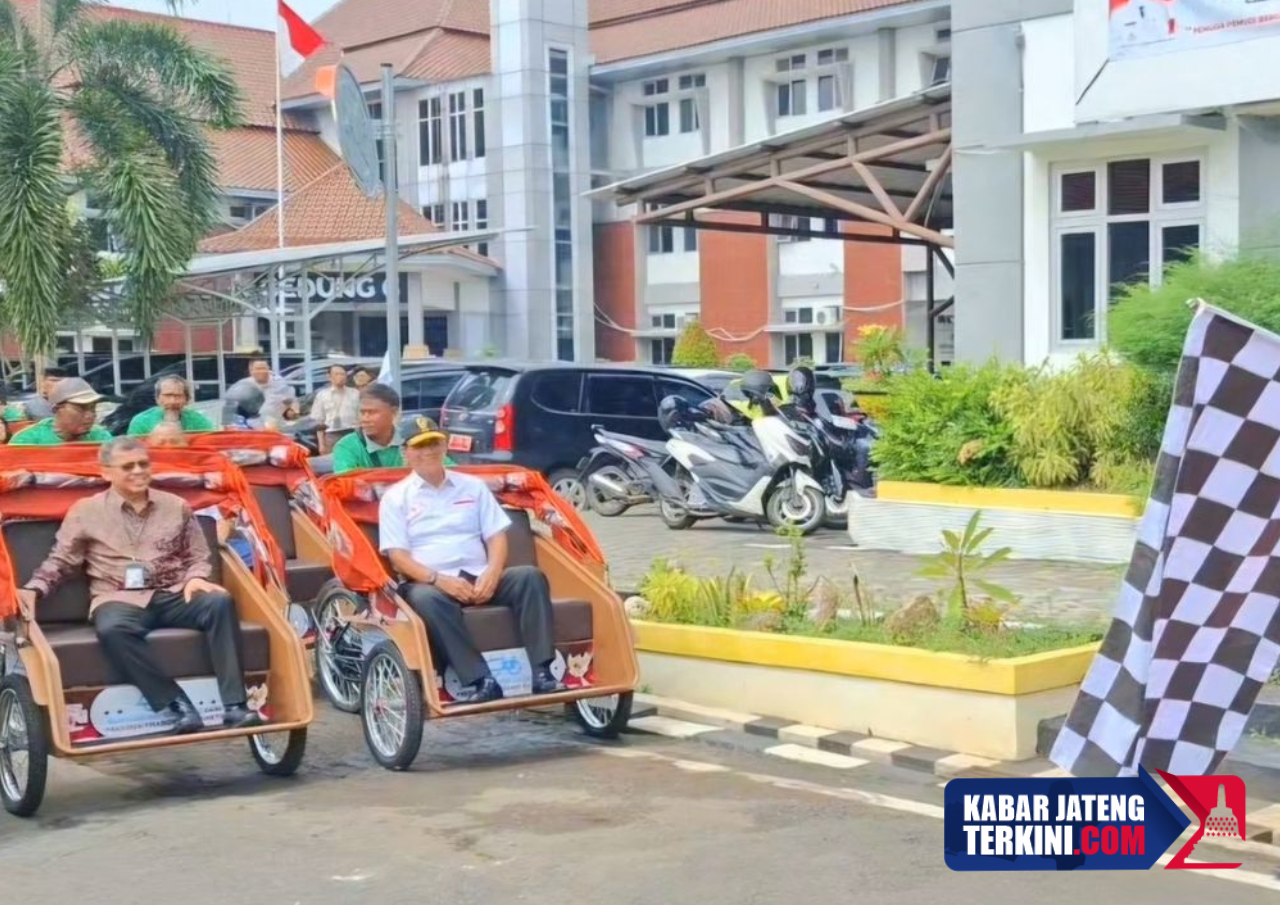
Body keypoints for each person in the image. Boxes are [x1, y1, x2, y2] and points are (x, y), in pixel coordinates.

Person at [18, 437, 263, 733]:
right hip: (118, 597)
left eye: (143, 464)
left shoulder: (175, 505)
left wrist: (196, 577)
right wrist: (34, 588)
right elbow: (62, 560)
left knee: (219, 602)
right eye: (128, 466)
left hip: (174, 591)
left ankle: (235, 706)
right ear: (106, 472)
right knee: (112, 628)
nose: (138, 471)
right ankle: (177, 704)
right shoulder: (85, 511)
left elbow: (198, 555)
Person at [378, 422, 561, 704]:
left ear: (445, 447)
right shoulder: (395, 498)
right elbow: (398, 557)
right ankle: (479, 678)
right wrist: (439, 580)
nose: (429, 451)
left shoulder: (472, 486)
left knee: (530, 577)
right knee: (424, 598)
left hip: (479, 575)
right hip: (431, 583)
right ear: (405, 453)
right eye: (420, 446)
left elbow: (496, 536)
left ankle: (541, 672)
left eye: (434, 444)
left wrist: (493, 572)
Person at [147, 424, 255, 568]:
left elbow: (225, 513)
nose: (169, 448)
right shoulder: (140, 475)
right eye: (161, 443)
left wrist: (215, 542)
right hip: (158, 545)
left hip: (211, 538)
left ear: (185, 445)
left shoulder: (209, 469)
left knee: (253, 555)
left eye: (174, 442)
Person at [9, 378, 113, 445]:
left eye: (92, 408)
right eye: (81, 408)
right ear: (56, 409)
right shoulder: (28, 440)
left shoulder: (100, 436)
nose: (90, 415)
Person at [127, 375, 216, 436]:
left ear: (187, 400)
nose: (172, 401)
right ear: (157, 398)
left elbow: (211, 446)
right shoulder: (141, 421)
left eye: (178, 396)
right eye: (167, 395)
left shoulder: (198, 421)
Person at [229, 359, 298, 426]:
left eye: (263, 368)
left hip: (276, 426)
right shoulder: (242, 387)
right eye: (258, 369)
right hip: (252, 427)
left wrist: (291, 412)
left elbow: (290, 406)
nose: (261, 372)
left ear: (268, 369)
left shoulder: (279, 385)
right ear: (250, 371)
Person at [310, 364, 361, 454]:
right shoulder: (322, 395)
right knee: (333, 460)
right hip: (332, 435)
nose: (341, 377)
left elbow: (361, 416)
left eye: (343, 374)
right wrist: (321, 444)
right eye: (337, 374)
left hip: (352, 433)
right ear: (329, 377)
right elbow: (319, 422)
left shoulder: (355, 393)